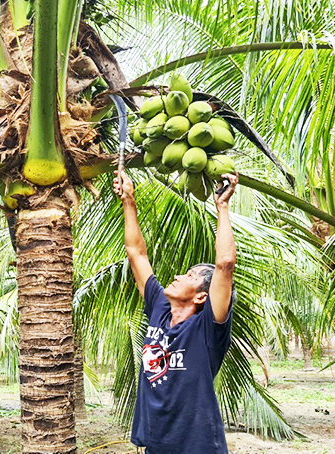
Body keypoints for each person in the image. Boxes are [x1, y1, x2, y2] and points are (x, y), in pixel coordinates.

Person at [113, 169, 239, 453]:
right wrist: (129, 200)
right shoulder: (159, 307)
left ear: (201, 297)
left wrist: (222, 207)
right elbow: (137, 253)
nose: (180, 276)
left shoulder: (208, 329)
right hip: (156, 445)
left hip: (198, 447)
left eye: (191, 277)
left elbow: (225, 264)